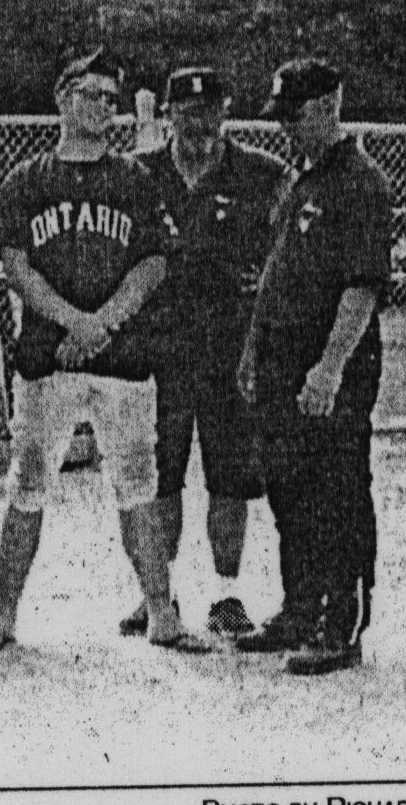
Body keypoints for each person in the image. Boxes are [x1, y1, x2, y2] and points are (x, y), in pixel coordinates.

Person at [0, 50, 205, 654]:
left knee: (137, 485)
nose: (105, 106)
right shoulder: (27, 178)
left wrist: (102, 324)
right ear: (62, 98)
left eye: (110, 97)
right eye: (92, 94)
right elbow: (15, 264)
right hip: (50, 357)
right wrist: (76, 321)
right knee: (28, 484)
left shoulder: (134, 177)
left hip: (122, 358)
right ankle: (4, 615)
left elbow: (153, 262)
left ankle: (162, 613)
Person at [237, 59, 392, 676]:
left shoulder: (360, 182)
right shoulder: (298, 178)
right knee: (288, 486)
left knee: (336, 489)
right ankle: (300, 607)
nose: (284, 129)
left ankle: (338, 622)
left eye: (293, 116)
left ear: (328, 105)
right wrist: (254, 348)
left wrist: (328, 368)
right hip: (280, 355)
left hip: (330, 357)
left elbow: (362, 287)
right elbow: (273, 274)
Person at [125, 67, 290, 639]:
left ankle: (226, 593)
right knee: (159, 476)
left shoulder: (262, 174)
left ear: (226, 110)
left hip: (229, 349)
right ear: (169, 113)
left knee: (229, 477)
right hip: (160, 349)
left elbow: (285, 254)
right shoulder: (139, 174)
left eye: (210, 109)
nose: (199, 121)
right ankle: (157, 594)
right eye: (188, 110)